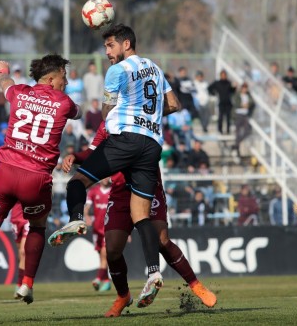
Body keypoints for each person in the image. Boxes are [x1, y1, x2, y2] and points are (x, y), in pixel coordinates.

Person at [48, 24, 181, 308]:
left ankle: (76, 218)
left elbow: (107, 110)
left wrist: (115, 113)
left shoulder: (117, 71)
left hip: (125, 140)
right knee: (141, 216)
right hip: (152, 145)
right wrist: (150, 114)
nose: (107, 53)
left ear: (126, 44)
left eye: (110, 46)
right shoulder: (155, 69)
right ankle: (153, 273)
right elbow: (174, 104)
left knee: (77, 182)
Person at [62, 121, 216, 317]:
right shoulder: (106, 123)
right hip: (119, 191)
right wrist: (75, 156)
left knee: (162, 241)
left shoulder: (144, 115)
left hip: (147, 185)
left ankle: (196, 286)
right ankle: (123, 296)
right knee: (112, 249)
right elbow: (92, 152)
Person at [0, 54, 81, 304]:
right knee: (38, 226)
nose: (66, 83)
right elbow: (78, 113)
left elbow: (5, 82)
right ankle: (27, 284)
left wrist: (3, 69)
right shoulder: (63, 101)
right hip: (36, 177)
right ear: (51, 79)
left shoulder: (19, 92)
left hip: (6, 171)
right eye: (64, 78)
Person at [84, 177, 111, 292]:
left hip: (108, 228)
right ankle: (106, 281)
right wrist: (87, 216)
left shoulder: (113, 190)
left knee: (105, 254)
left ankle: (98, 279)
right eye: (103, 176)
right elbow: (87, 207)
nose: (105, 179)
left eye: (108, 176)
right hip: (96, 228)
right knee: (101, 255)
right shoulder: (93, 191)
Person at [9, 202, 29, 298]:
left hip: (28, 218)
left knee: (23, 251)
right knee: (20, 255)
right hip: (15, 218)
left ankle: (20, 285)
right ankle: (24, 282)